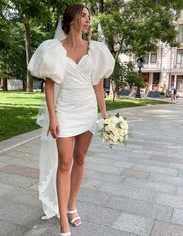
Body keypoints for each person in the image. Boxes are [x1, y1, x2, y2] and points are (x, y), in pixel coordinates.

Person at [28, 3, 115, 236]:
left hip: (87, 110)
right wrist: (53, 118)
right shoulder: (54, 49)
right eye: (83, 15)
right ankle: (63, 224)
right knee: (64, 163)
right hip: (65, 110)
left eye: (89, 16)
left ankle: (71, 206)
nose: (87, 20)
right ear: (71, 19)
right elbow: (49, 85)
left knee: (80, 158)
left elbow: (97, 84)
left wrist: (105, 115)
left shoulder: (95, 49)